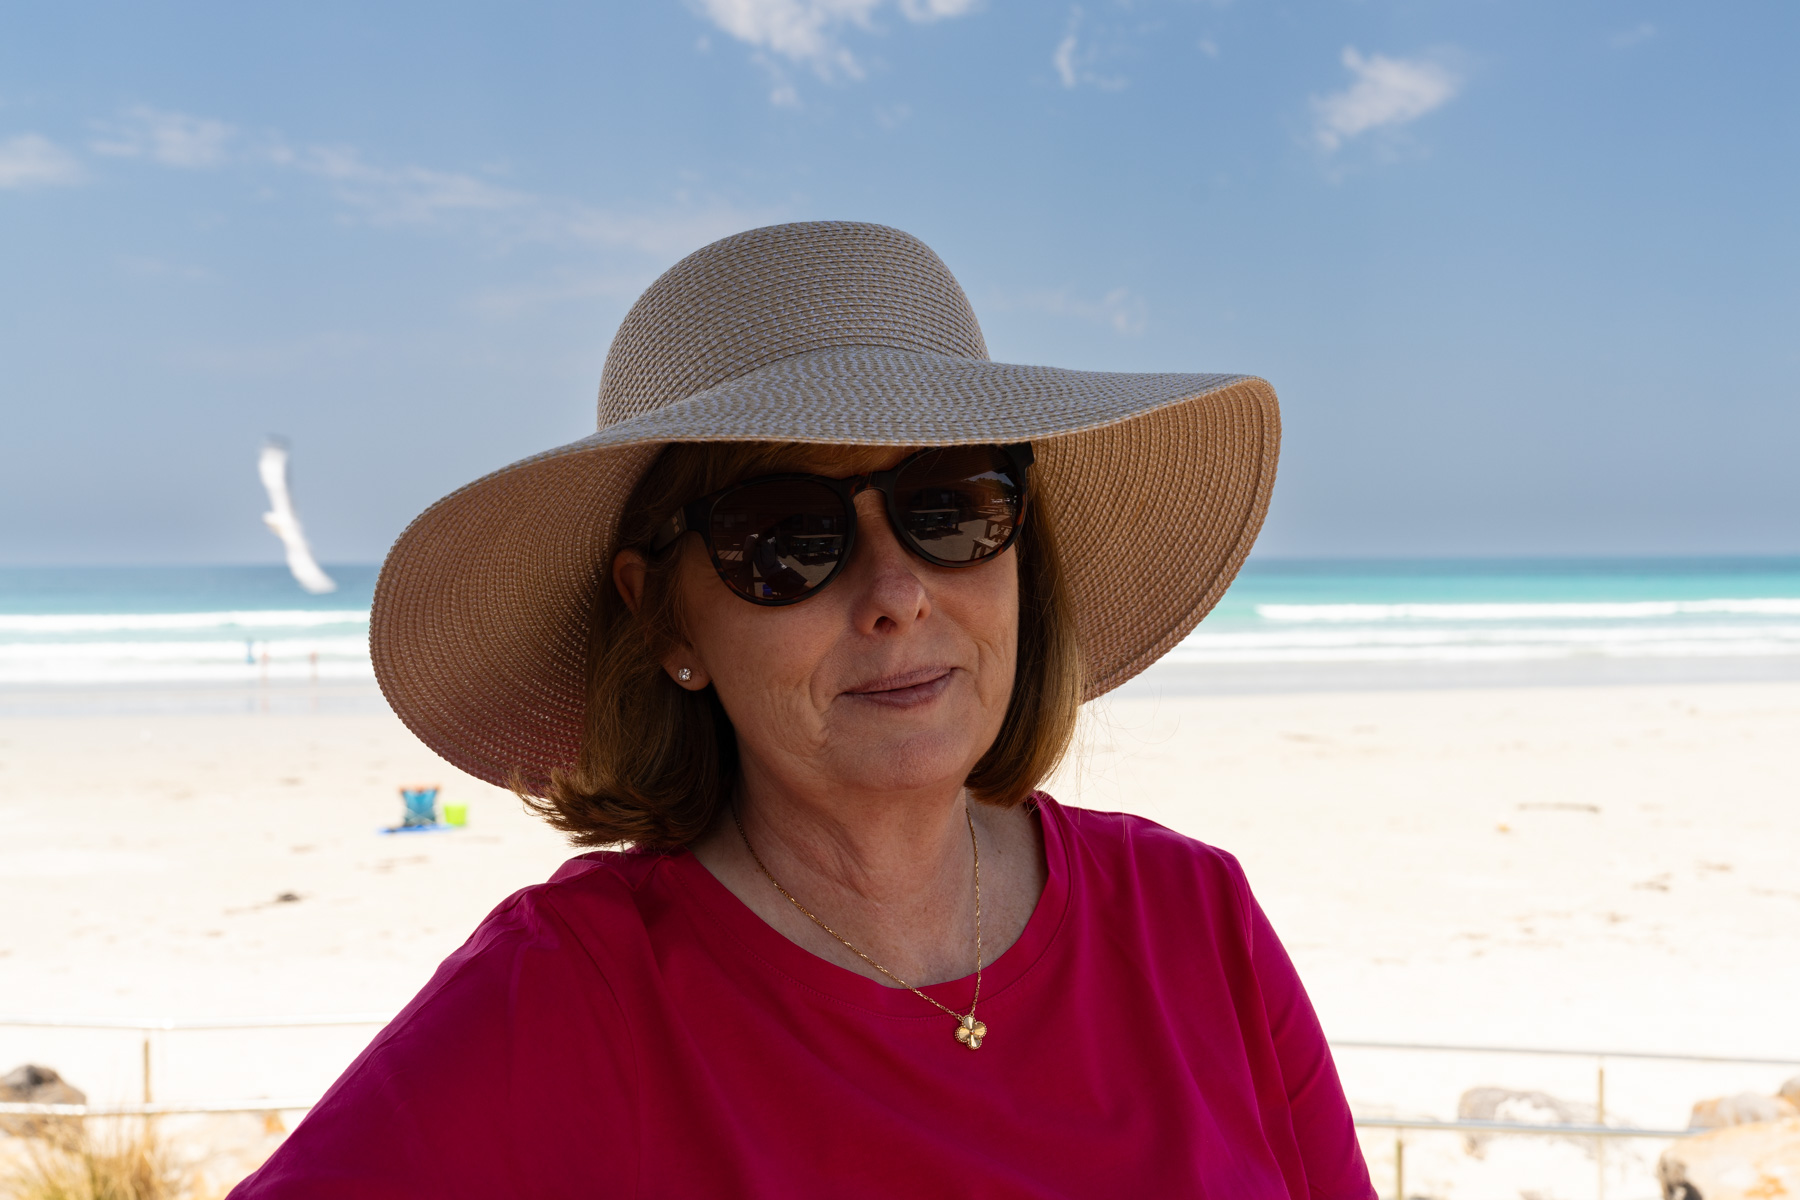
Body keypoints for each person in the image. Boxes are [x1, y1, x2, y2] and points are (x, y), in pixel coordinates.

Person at [231, 221, 1375, 1198]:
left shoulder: (1193, 920)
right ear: (667, 622)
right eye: (787, 540)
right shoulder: (574, 995)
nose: (896, 594)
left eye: (952, 506)